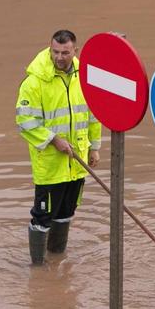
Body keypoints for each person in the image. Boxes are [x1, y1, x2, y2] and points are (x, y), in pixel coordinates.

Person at [14, 28, 101, 266]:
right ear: (49, 48)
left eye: (65, 52)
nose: (59, 57)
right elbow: (25, 122)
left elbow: (93, 115)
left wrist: (94, 147)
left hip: (76, 162)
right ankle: (38, 268)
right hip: (50, 165)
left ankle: (56, 262)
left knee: (65, 213)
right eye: (55, 51)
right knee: (43, 216)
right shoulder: (34, 82)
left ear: (75, 51)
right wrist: (54, 140)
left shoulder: (84, 78)